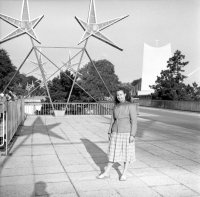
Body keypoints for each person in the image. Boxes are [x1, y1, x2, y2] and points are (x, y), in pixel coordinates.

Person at [97, 88, 137, 181]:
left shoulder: (131, 105)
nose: (119, 96)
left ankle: (124, 173)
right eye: (118, 95)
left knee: (126, 153)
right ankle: (107, 173)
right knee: (112, 153)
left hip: (127, 132)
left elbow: (134, 121)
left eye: (121, 94)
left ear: (125, 94)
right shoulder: (116, 106)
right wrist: (109, 131)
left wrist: (133, 135)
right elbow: (112, 120)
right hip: (115, 132)